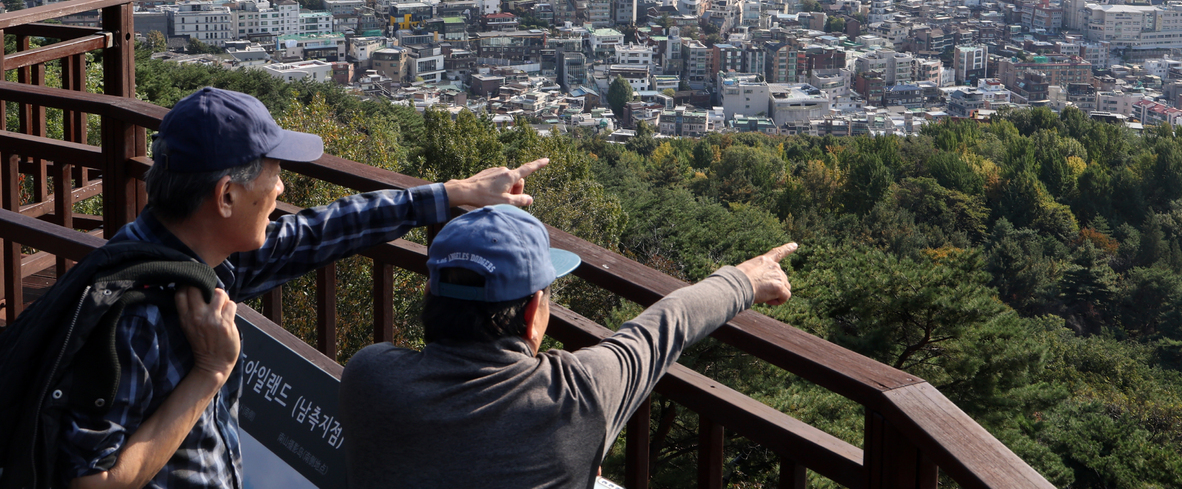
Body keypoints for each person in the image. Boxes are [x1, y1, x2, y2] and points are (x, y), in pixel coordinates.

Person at [59, 86, 546, 489]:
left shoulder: (188, 253)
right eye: (273, 173)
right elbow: (87, 481)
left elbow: (316, 233)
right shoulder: (136, 312)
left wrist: (448, 194)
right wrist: (208, 374)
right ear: (226, 196)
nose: (281, 190)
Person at [339, 205, 796, 489]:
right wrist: (744, 280)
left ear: (430, 297)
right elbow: (666, 326)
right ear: (533, 309)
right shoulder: (577, 395)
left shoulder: (370, 377)